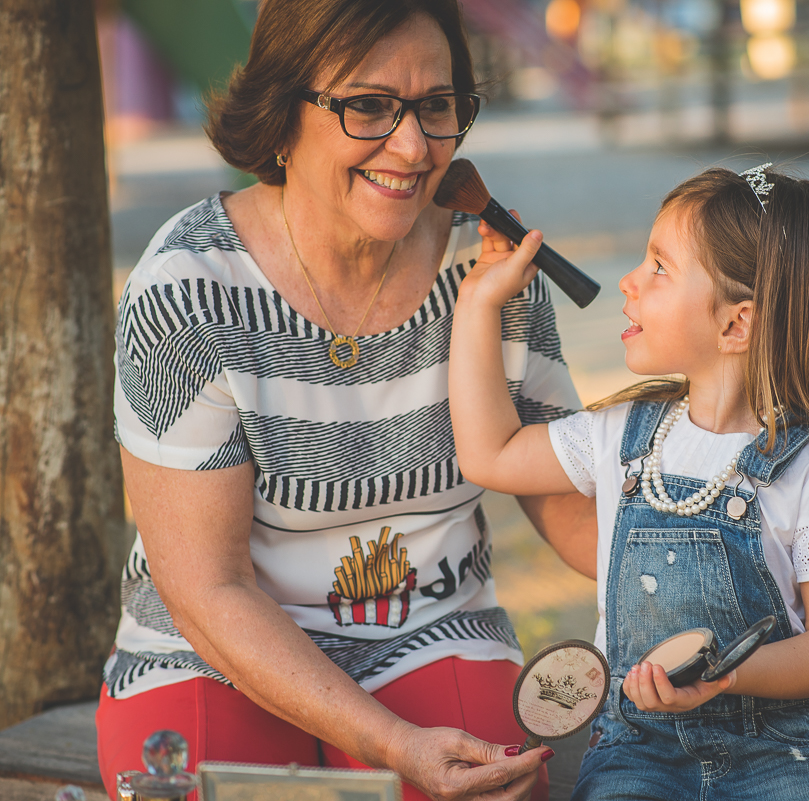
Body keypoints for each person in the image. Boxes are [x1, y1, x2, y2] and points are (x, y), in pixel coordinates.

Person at [96, 2, 596, 800]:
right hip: (211, 646)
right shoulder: (188, 291)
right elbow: (207, 588)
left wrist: (707, 548)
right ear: (283, 112)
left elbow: (568, 503)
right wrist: (392, 742)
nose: (414, 146)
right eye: (368, 105)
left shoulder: (489, 265)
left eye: (437, 106)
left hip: (433, 629)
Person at [448, 164, 809, 800]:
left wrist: (726, 675)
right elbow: (491, 453)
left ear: (735, 324)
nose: (629, 282)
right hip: (640, 751)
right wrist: (478, 302)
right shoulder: (616, 437)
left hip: (791, 754)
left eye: (659, 267)